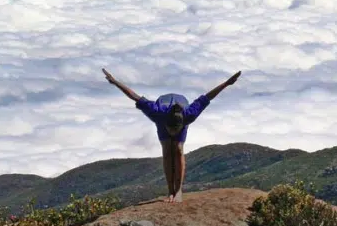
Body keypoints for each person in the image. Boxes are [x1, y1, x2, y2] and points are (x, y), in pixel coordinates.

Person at [102, 68, 241, 203]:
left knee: (178, 149)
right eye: (171, 130)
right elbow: (134, 96)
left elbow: (207, 97)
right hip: (164, 109)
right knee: (167, 150)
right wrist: (115, 82)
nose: (172, 134)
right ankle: (170, 190)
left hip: (181, 105)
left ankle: (178, 190)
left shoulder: (189, 115)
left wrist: (226, 84)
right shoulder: (157, 113)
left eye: (176, 131)